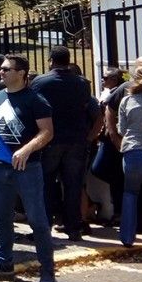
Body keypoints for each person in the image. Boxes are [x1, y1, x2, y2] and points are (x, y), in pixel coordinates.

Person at [0, 54, 56, 282]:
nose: (0, 72)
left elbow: (47, 132)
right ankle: (4, 263)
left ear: (21, 73)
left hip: (28, 169)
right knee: (1, 217)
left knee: (37, 220)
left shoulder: (36, 100)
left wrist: (26, 149)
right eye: (1, 69)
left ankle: (47, 270)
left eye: (6, 69)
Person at [31, 46, 98, 241]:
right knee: (73, 185)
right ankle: (74, 228)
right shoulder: (82, 84)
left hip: (50, 140)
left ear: (51, 60)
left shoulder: (41, 83)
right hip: (77, 140)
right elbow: (88, 108)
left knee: (45, 184)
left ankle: (44, 226)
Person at [115, 66, 142, 254]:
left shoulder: (127, 100)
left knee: (130, 194)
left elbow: (122, 130)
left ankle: (127, 236)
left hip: (133, 151)